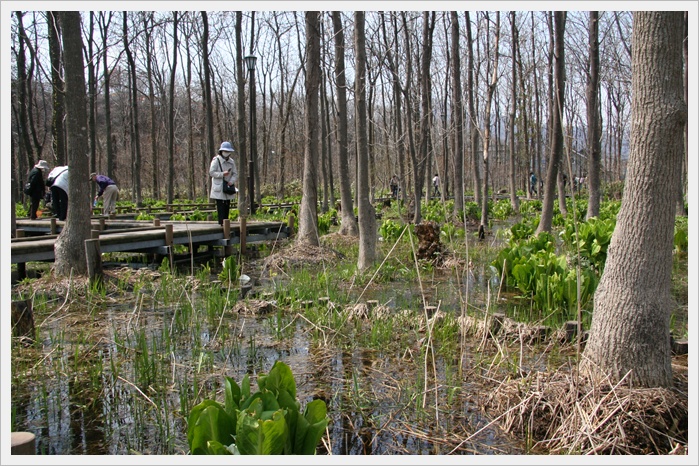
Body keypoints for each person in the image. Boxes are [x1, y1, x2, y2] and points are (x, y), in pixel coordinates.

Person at [209, 141, 238, 225]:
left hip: (228, 186)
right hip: (219, 187)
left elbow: (235, 174)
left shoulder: (231, 162)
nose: (226, 153)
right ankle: (221, 224)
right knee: (220, 207)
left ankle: (226, 224)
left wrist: (231, 181)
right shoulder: (216, 160)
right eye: (225, 151)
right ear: (221, 151)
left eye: (228, 151)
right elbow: (211, 172)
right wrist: (222, 174)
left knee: (227, 206)